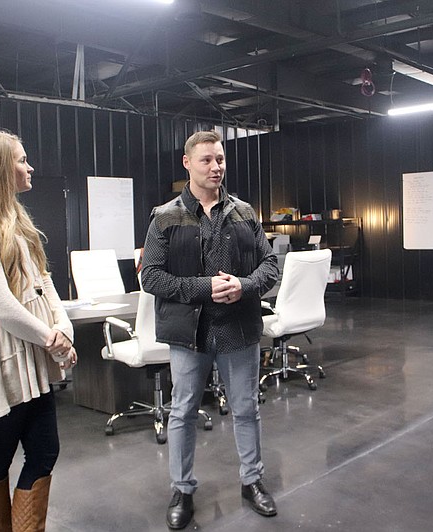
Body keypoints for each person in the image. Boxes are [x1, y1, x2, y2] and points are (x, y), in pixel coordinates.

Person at [141, 130, 279, 530]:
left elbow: (269, 266)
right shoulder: (164, 216)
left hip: (239, 327)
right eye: (207, 160)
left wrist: (244, 285)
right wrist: (204, 289)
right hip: (191, 332)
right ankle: (182, 489)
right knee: (182, 411)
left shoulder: (244, 212)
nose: (216, 167)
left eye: (220, 159)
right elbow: (150, 276)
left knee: (247, 408)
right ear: (188, 164)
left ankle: (252, 481)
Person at [0, 130, 77, 532]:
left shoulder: (15, 219)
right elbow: (1, 305)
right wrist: (51, 338)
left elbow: (44, 281)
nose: (30, 166)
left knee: (44, 452)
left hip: (31, 353)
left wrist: (64, 328)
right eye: (21, 160)